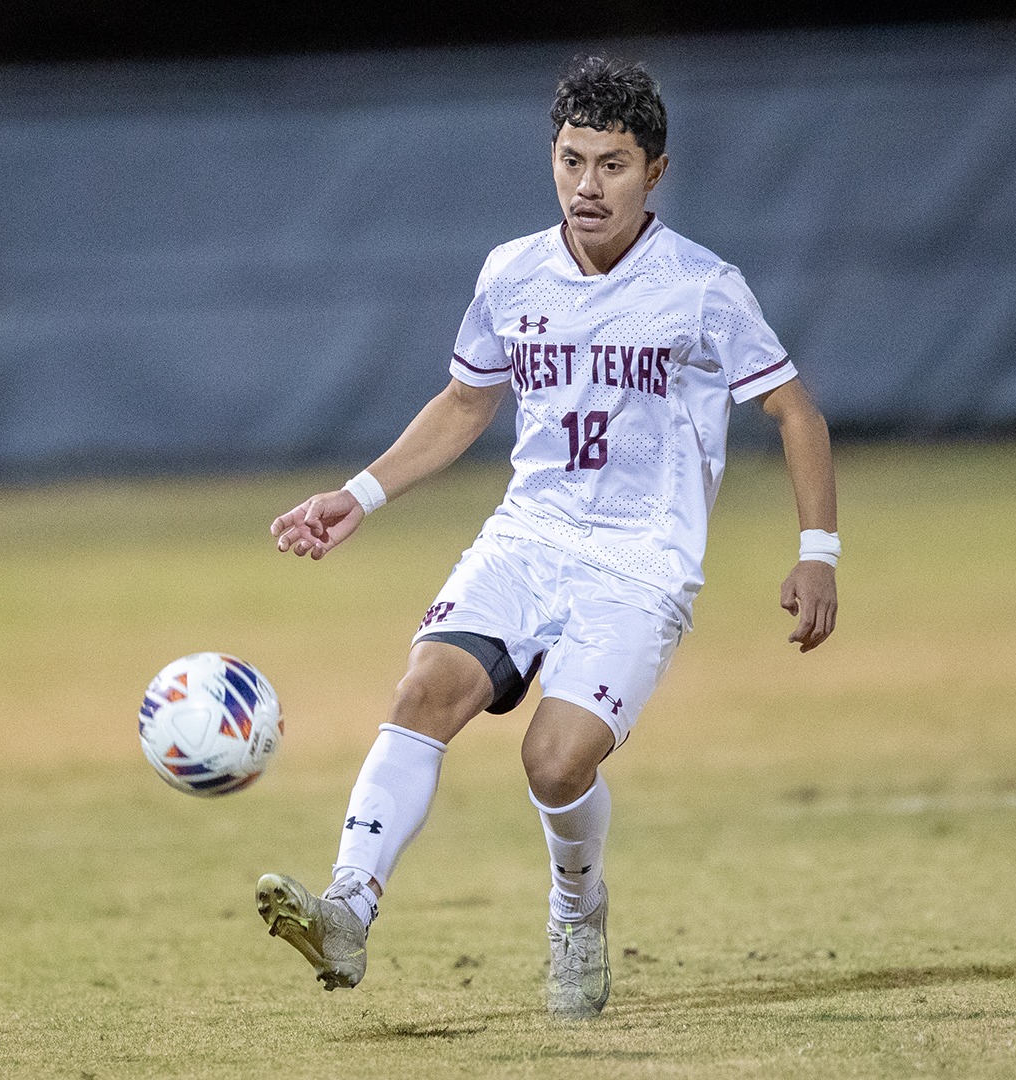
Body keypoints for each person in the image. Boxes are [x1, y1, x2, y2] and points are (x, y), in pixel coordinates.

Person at [252, 55, 839, 1021]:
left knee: (555, 762)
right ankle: (350, 905)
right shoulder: (512, 270)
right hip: (528, 536)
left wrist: (819, 552)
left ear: (656, 171)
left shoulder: (700, 288)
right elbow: (465, 399)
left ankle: (577, 907)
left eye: (611, 165)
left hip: (643, 563)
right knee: (423, 689)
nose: (585, 186)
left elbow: (796, 413)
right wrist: (360, 493)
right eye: (570, 161)